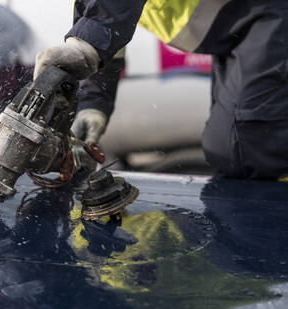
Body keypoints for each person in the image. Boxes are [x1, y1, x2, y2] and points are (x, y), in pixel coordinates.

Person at [34, 0, 288, 180]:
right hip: (242, 26)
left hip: (269, 16)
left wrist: (88, 43)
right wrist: (93, 104)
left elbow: (103, 21)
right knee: (237, 152)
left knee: (247, 152)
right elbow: (106, 29)